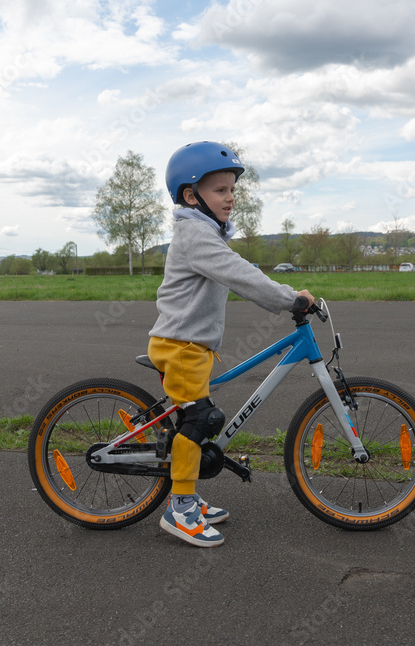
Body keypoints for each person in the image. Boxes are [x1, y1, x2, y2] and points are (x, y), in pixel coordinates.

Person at [148, 141, 314, 547]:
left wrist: (283, 289)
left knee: (198, 420)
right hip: (180, 346)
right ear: (192, 196)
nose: (231, 197)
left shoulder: (206, 233)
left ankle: (188, 495)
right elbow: (239, 275)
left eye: (232, 190)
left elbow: (242, 268)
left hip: (192, 347)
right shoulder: (195, 235)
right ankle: (179, 507)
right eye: (220, 190)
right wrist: (288, 299)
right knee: (202, 420)